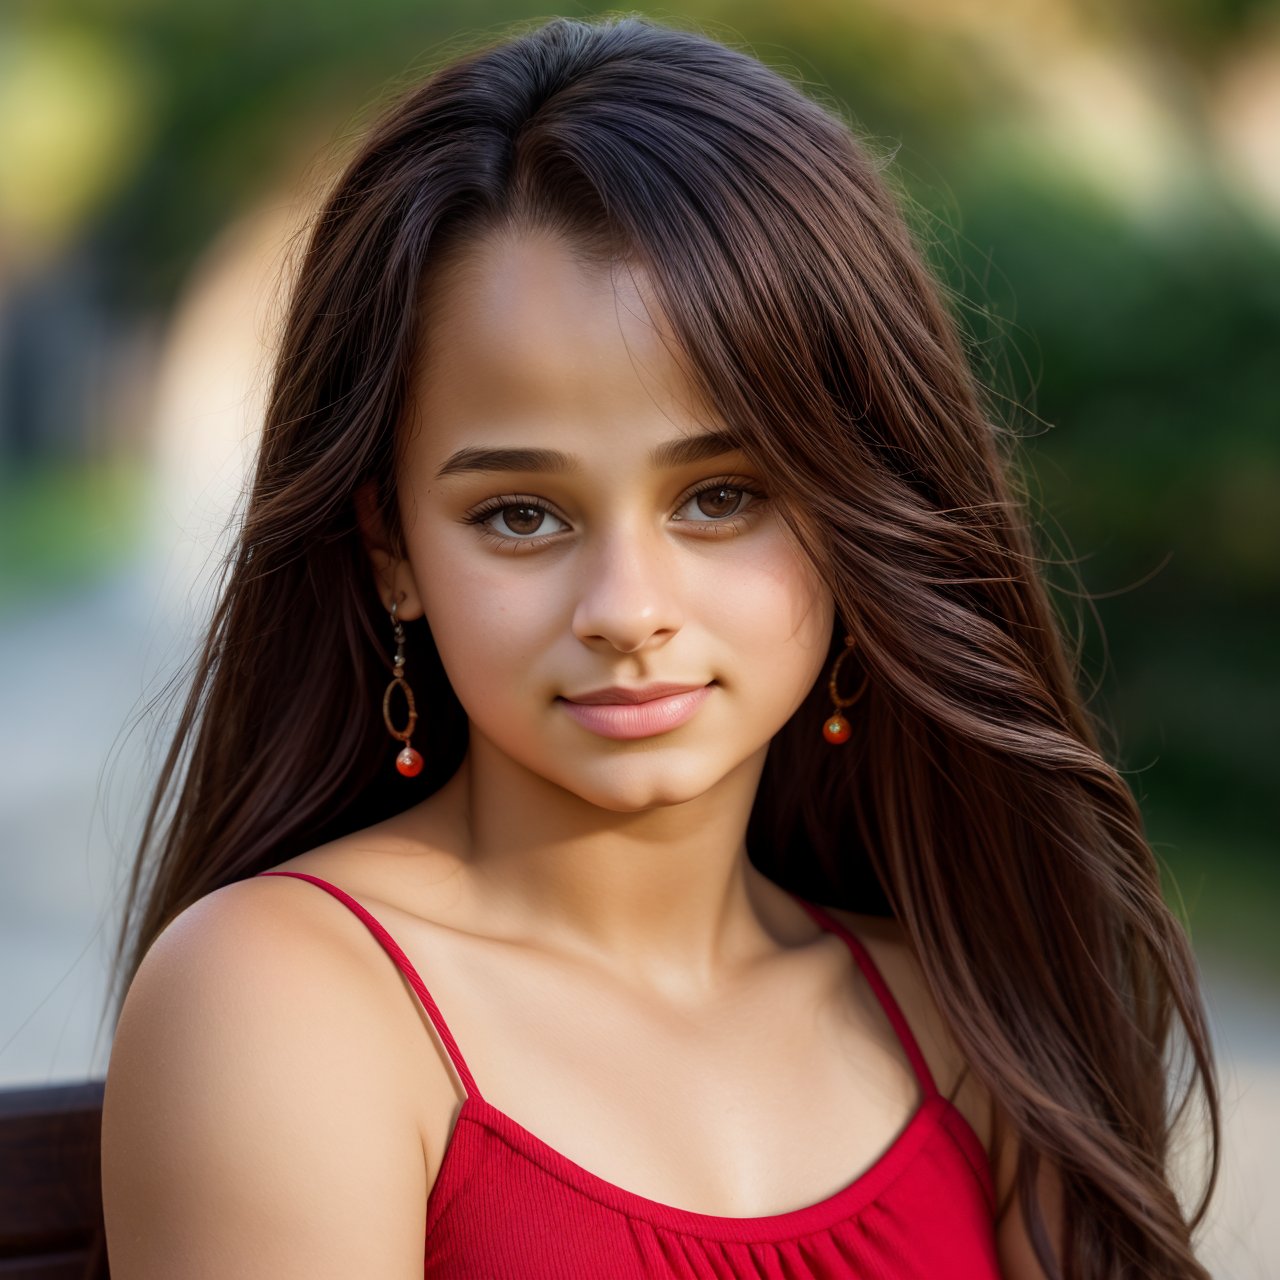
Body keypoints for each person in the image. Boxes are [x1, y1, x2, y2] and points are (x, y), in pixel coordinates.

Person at [99, 15, 1220, 1279]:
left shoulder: (960, 1014)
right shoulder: (283, 1002)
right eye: (519, 514)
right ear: (390, 550)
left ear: (857, 510)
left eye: (721, 496)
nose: (627, 606)